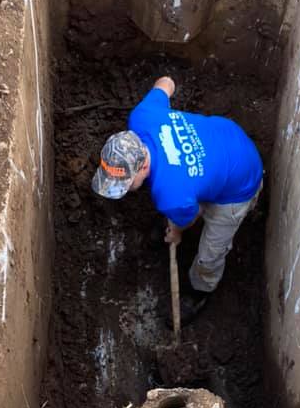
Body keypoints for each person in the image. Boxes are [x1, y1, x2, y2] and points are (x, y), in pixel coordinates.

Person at [92, 76, 264, 323]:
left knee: (210, 253)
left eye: (125, 183)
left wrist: (177, 231)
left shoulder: (171, 193)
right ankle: (198, 193)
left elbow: (189, 215)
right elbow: (167, 82)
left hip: (240, 183)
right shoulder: (143, 117)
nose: (125, 189)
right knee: (187, 194)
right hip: (225, 135)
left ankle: (200, 291)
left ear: (142, 167)